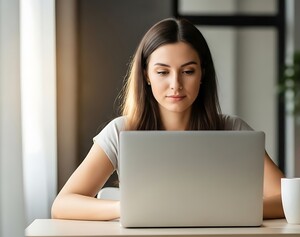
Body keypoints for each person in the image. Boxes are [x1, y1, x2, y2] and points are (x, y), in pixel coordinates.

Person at [51, 17, 284, 220]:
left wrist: (228, 210)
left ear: (203, 73)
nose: (176, 85)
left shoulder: (233, 130)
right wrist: (127, 208)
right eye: (162, 72)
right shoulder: (121, 131)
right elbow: (62, 205)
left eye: (188, 71)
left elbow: (286, 200)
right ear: (146, 75)